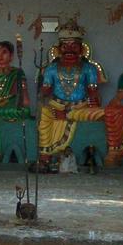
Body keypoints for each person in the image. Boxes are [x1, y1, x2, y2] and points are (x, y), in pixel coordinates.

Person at [38, 19, 105, 158]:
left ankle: (68, 115)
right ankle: (45, 155)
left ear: (81, 49)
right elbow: (44, 94)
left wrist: (93, 106)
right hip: (56, 106)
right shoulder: (51, 69)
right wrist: (44, 97)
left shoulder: (89, 68)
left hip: (80, 107)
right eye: (65, 46)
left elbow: (93, 94)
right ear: (58, 49)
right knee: (44, 112)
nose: (69, 49)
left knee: (104, 113)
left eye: (74, 46)